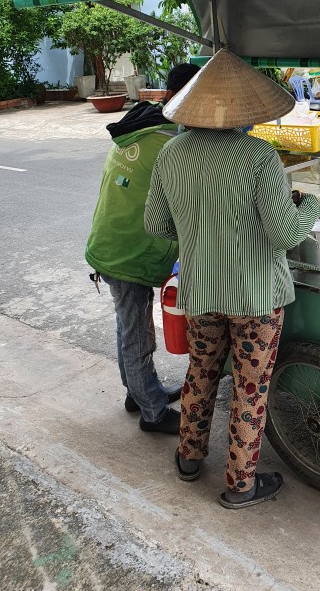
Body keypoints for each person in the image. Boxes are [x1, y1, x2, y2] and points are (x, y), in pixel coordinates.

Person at [144, 47, 320, 508]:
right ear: (243, 109)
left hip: (201, 291)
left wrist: (197, 224)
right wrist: (310, 208)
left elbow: (157, 226)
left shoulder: (171, 153)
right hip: (256, 298)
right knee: (249, 389)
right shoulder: (259, 155)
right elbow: (283, 232)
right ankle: (241, 485)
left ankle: (188, 458)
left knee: (200, 373)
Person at [85, 63, 200, 434]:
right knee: (137, 333)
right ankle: (152, 412)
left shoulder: (142, 122)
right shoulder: (170, 144)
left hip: (111, 238)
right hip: (126, 250)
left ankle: (137, 392)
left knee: (128, 325)